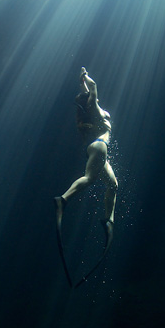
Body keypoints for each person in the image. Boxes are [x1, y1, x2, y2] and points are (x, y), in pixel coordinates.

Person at [54, 67, 118, 234]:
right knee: (89, 178)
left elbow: (86, 93)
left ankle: (109, 219)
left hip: (96, 148)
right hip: (99, 146)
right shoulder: (94, 108)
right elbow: (93, 87)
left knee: (113, 184)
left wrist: (81, 82)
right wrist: (85, 76)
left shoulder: (90, 111)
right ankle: (64, 199)